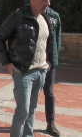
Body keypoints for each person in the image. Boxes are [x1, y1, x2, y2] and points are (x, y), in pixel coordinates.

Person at [0, 0, 53, 137]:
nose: (48, 3)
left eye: (48, 0)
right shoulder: (18, 16)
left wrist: (47, 63)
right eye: (45, 0)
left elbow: (47, 43)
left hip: (41, 71)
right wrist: (7, 63)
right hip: (23, 71)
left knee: (32, 109)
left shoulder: (45, 18)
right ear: (34, 0)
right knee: (23, 111)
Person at [44, 7, 61, 137]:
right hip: (33, 62)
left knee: (49, 93)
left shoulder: (54, 16)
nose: (47, 2)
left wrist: (54, 54)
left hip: (49, 62)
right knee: (29, 93)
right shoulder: (28, 14)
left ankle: (51, 123)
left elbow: (57, 37)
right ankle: (26, 121)